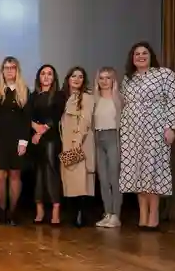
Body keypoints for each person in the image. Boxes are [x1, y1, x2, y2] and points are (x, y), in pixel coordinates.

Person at [119, 42, 175, 231]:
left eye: (144, 53)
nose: (140, 56)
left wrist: (171, 127)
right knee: (137, 172)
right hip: (132, 131)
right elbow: (123, 103)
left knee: (153, 170)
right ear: (132, 58)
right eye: (136, 54)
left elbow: (173, 101)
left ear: (151, 55)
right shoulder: (128, 79)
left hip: (155, 129)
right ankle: (142, 215)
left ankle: (153, 216)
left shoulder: (165, 74)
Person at [0, 56, 31, 226]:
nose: (9, 71)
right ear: (2, 71)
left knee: (14, 175)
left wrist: (24, 141)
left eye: (13, 68)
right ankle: (1, 211)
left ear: (17, 70)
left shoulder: (24, 91)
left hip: (17, 139)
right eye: (6, 68)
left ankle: (12, 213)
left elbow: (26, 118)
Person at [29, 65, 66, 225]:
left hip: (51, 137)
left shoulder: (59, 95)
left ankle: (56, 209)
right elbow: (28, 115)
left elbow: (56, 116)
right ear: (39, 77)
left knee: (51, 171)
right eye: (43, 73)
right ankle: (39, 209)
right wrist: (34, 127)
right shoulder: (33, 96)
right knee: (38, 174)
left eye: (49, 74)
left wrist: (41, 131)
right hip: (35, 139)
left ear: (54, 77)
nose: (46, 76)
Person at [60, 66, 95, 227]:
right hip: (65, 143)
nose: (76, 79)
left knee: (81, 181)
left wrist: (77, 141)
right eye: (73, 76)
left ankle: (81, 215)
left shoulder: (86, 98)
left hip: (79, 143)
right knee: (69, 181)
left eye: (80, 77)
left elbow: (86, 121)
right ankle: (72, 214)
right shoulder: (64, 97)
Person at [93, 67, 123, 228]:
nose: (104, 81)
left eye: (108, 78)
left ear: (113, 80)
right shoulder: (94, 99)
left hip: (113, 138)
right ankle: (108, 213)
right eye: (101, 78)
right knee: (103, 179)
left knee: (114, 178)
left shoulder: (119, 99)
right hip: (98, 139)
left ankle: (116, 215)